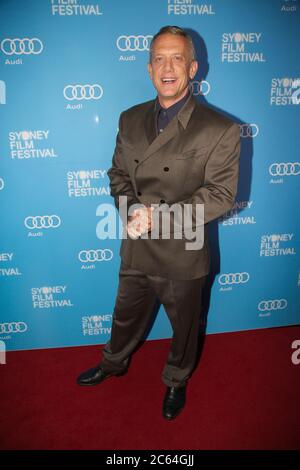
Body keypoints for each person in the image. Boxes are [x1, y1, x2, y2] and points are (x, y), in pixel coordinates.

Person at [77, 26, 241, 420]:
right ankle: (113, 362)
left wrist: (158, 216)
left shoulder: (220, 128)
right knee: (124, 315)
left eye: (177, 58)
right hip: (137, 244)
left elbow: (221, 196)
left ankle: (176, 380)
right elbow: (117, 174)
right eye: (159, 59)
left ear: (194, 67)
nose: (168, 67)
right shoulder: (129, 118)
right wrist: (131, 209)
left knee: (184, 328)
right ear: (149, 67)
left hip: (183, 255)